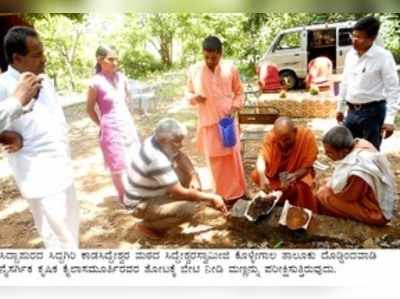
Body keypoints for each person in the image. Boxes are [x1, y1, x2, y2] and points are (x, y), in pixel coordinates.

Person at [0, 26, 79, 248]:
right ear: (17, 58)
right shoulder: (4, 85)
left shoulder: (44, 79)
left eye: (42, 53)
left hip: (61, 166)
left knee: (68, 230)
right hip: (37, 173)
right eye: (37, 55)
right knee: (60, 236)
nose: (43, 59)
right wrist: (5, 136)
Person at [123, 118, 227, 237]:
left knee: (188, 175)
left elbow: (180, 156)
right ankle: (148, 225)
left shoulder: (157, 141)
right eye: (177, 141)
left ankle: (174, 209)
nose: (181, 145)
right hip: (141, 203)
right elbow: (178, 192)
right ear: (163, 140)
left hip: (155, 191)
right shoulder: (155, 158)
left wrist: (192, 175)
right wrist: (211, 197)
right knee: (189, 210)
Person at [185, 36, 246, 208]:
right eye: (206, 57)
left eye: (214, 57)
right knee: (214, 161)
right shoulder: (194, 70)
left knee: (232, 158)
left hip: (227, 121)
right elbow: (187, 94)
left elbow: (240, 92)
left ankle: (238, 194)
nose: (210, 61)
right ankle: (220, 195)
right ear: (203, 54)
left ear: (221, 54)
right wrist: (194, 98)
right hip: (208, 123)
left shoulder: (230, 68)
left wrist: (234, 107)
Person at [336, 16, 399, 150]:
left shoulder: (383, 57)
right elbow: (345, 82)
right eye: (353, 35)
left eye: (359, 37)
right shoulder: (350, 55)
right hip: (352, 111)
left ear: (372, 38)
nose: (354, 40)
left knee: (369, 153)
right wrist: (340, 107)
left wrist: (389, 120)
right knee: (348, 149)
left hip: (373, 113)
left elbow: (393, 89)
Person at [86, 45, 140, 202]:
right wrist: (102, 125)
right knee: (118, 165)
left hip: (127, 124)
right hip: (110, 128)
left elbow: (126, 100)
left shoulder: (121, 78)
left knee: (133, 159)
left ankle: (136, 193)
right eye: (111, 59)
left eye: (117, 58)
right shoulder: (95, 83)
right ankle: (124, 198)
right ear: (100, 60)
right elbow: (89, 109)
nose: (115, 62)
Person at [317, 126, 396, 225]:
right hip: (371, 195)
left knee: (323, 194)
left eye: (329, 153)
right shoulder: (361, 144)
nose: (326, 155)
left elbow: (348, 197)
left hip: (376, 212)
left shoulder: (358, 171)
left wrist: (327, 186)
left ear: (345, 151)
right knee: (326, 182)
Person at [251, 117, 319, 212]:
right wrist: (262, 177)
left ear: (294, 131)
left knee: (305, 184)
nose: (283, 144)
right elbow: (261, 158)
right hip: (277, 174)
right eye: (279, 140)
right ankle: (279, 199)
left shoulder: (306, 136)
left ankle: (301, 207)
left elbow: (307, 166)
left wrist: (295, 175)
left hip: (299, 173)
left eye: (286, 140)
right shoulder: (271, 136)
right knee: (257, 174)